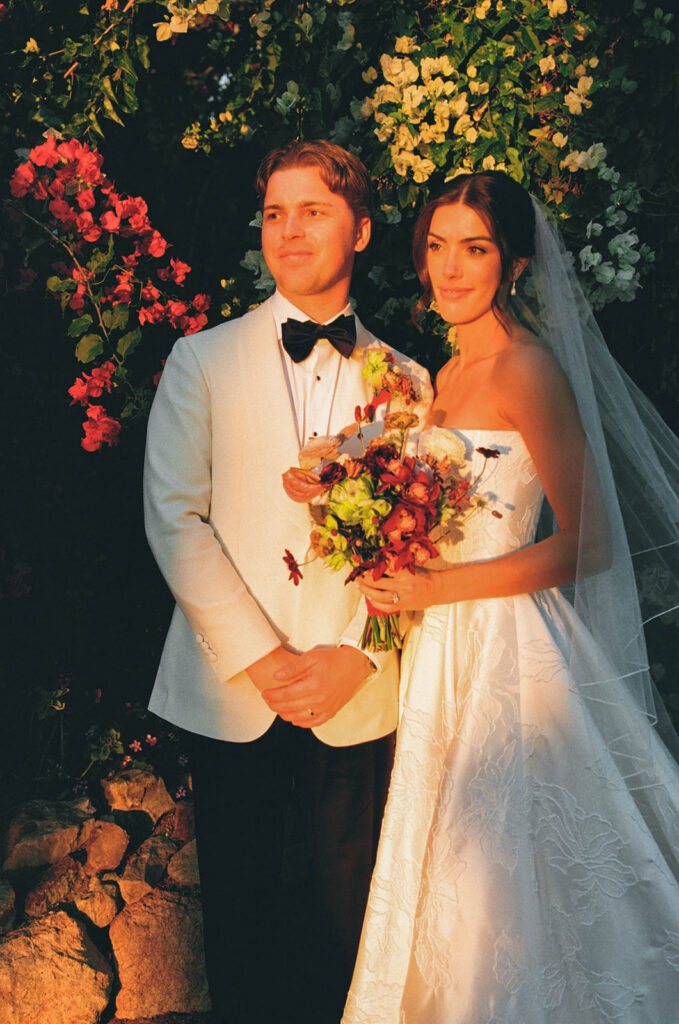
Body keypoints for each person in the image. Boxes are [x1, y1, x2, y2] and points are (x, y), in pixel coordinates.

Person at [342, 171, 679, 1023]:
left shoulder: (527, 369)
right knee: (451, 864)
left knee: (520, 865)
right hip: (438, 648)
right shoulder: (441, 376)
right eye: (437, 246)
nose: (451, 269)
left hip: (505, 646)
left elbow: (587, 542)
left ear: (516, 265)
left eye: (476, 249)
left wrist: (437, 584)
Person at [143, 139, 431, 1024]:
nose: (289, 229)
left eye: (313, 210)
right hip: (234, 687)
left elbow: (422, 548)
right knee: (241, 925)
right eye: (275, 212)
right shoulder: (202, 358)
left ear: (363, 229)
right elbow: (174, 518)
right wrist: (262, 658)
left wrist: (354, 655)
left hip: (356, 692)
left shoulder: (407, 383)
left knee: (346, 928)